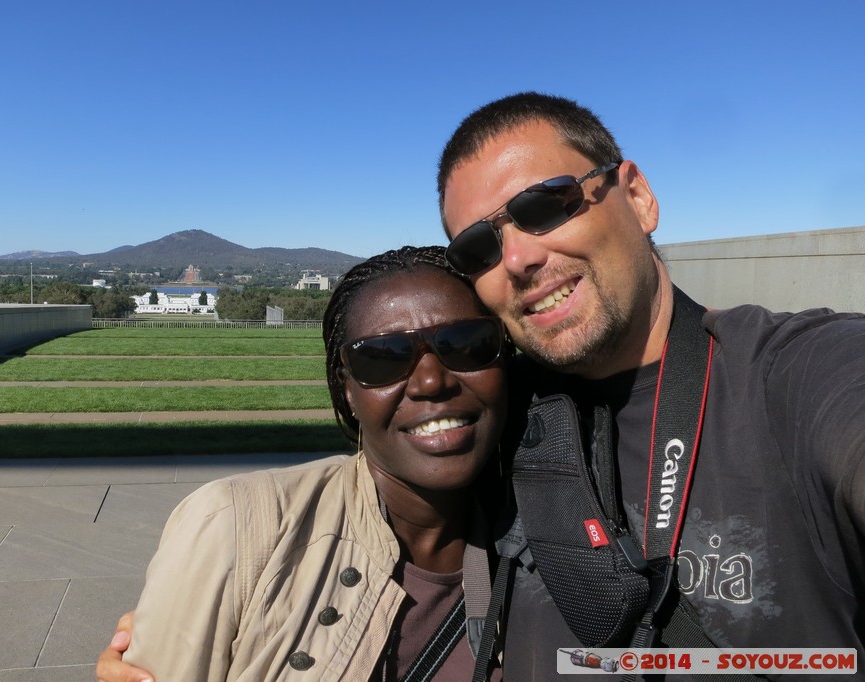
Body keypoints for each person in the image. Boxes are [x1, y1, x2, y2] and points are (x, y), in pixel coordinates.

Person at [100, 93, 865, 679]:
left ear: (636, 197)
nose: (520, 257)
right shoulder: (509, 412)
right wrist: (197, 609)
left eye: (546, 204)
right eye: (479, 246)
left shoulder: (796, 379)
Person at [102, 245, 510, 682]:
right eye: (383, 356)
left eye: (466, 343)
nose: (431, 381)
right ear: (347, 391)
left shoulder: (548, 536)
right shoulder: (236, 527)